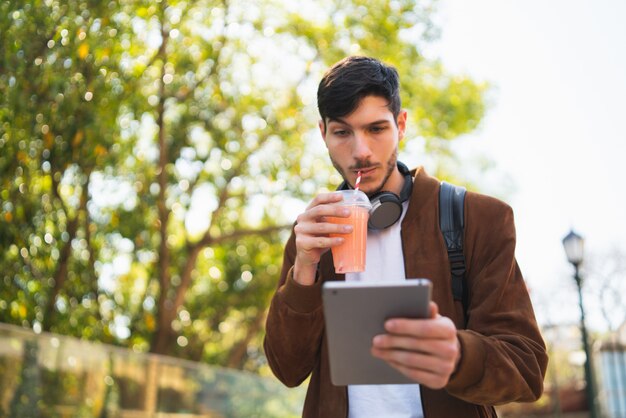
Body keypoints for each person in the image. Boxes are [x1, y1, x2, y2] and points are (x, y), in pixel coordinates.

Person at [263, 56, 548, 418]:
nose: (361, 151)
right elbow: (287, 371)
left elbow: (527, 369)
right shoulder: (312, 235)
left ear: (401, 124)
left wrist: (458, 356)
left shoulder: (478, 219)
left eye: (376, 129)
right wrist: (304, 271)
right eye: (342, 132)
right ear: (323, 134)